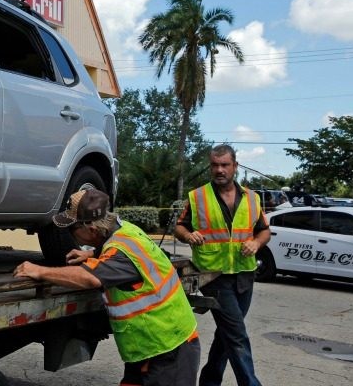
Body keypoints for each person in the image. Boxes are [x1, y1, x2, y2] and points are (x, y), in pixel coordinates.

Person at [14, 188, 201, 386]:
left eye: (71, 229)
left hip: (169, 350)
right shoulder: (125, 229)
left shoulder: (120, 253)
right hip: (152, 348)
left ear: (91, 229)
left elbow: (90, 278)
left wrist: (39, 271)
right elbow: (116, 251)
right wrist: (93, 254)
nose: (69, 235)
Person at [174, 144, 270, 386]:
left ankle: (209, 381)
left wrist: (256, 244)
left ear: (235, 167)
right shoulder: (197, 197)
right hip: (213, 275)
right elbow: (179, 227)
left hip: (245, 273)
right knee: (236, 335)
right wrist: (188, 236)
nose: (219, 170)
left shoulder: (252, 198)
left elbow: (264, 231)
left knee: (226, 334)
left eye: (225, 165)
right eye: (215, 165)